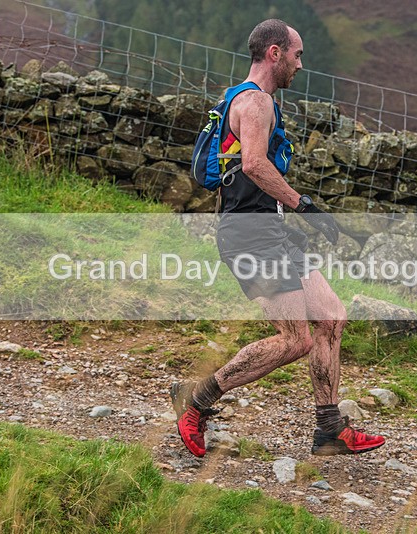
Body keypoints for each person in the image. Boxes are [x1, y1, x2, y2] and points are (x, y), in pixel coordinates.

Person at [171, 19, 385, 458]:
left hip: (269, 229)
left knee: (330, 318)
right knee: (295, 340)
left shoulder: (255, 100)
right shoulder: (254, 103)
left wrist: (293, 211)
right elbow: (252, 164)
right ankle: (196, 401)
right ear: (275, 53)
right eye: (297, 55)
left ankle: (329, 429)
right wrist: (304, 203)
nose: (300, 65)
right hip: (250, 235)